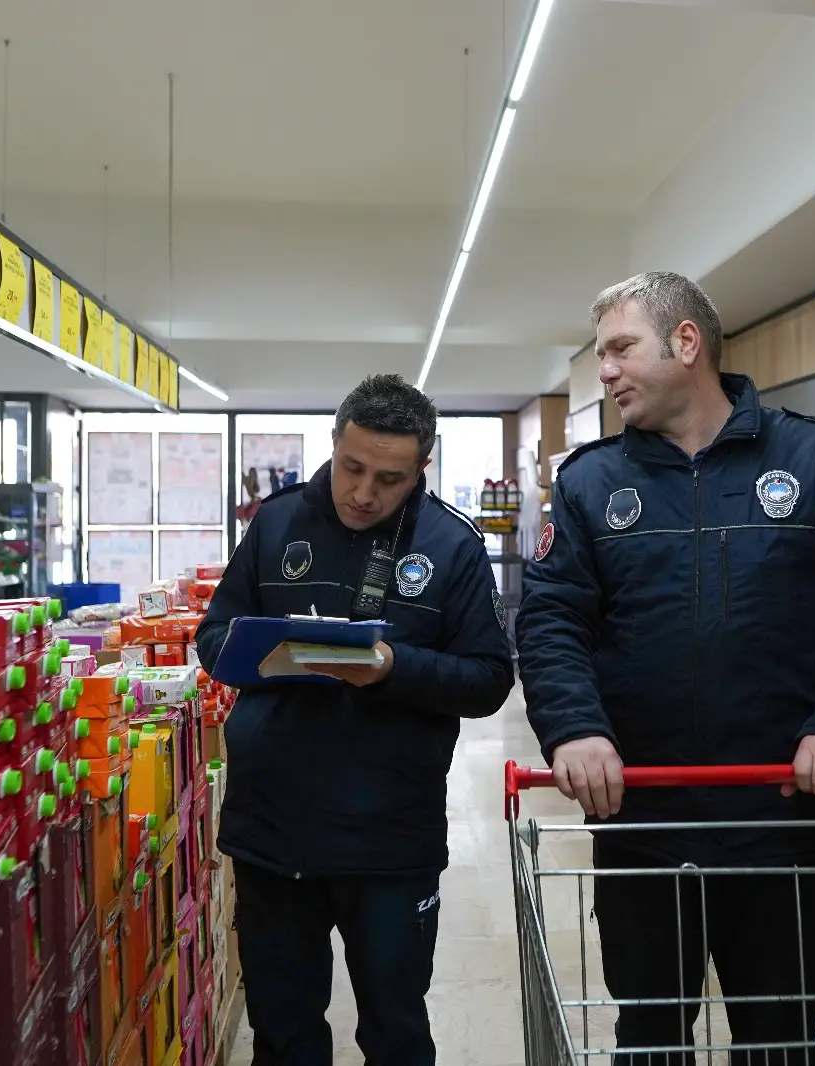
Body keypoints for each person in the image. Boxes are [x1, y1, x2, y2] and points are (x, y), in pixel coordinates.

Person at [516, 272, 815, 1064]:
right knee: (650, 1037)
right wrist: (574, 726)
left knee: (777, 1040)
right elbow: (550, 620)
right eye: (600, 354)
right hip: (644, 823)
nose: (603, 371)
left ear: (686, 343)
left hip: (779, 824)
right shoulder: (590, 483)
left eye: (619, 349)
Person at [195, 374, 515, 1066]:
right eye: (353, 467)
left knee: (396, 1033)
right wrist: (262, 653)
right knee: (282, 1035)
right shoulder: (277, 523)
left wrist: (393, 669)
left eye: (390, 478)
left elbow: (490, 678)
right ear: (334, 443)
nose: (365, 492)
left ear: (422, 468)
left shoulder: (452, 546)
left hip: (391, 837)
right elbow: (213, 635)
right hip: (272, 830)